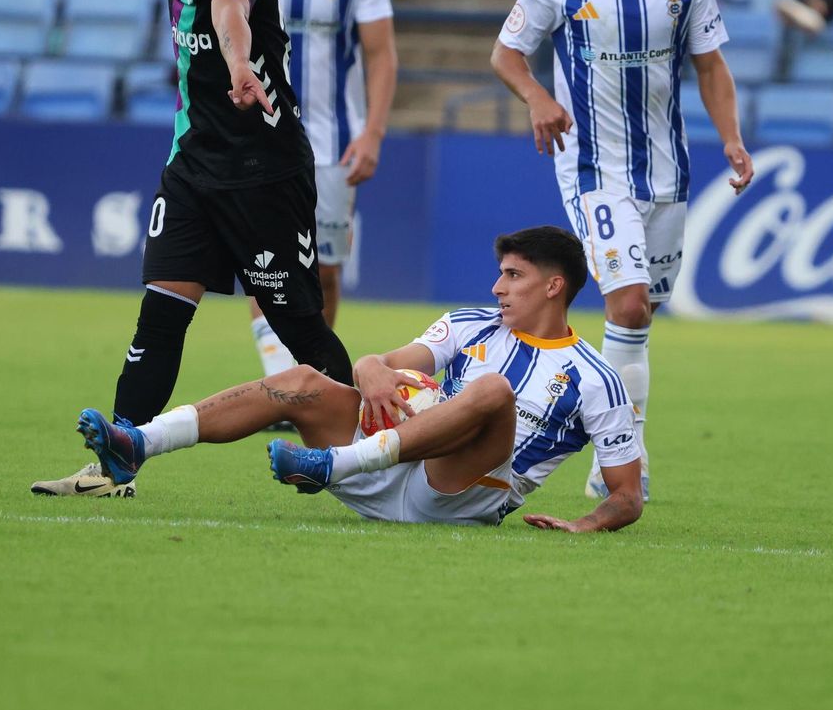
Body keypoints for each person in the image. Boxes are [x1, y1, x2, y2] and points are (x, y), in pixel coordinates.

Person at [32, 0, 351, 498]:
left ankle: (378, 448)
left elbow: (230, 9)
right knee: (160, 313)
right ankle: (117, 460)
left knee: (299, 325)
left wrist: (239, 66)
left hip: (265, 175)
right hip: (193, 169)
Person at [490, 0, 755, 504]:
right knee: (628, 304)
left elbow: (712, 68)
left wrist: (732, 139)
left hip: (668, 172)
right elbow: (506, 55)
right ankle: (623, 462)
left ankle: (612, 445)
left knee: (639, 322)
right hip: (593, 169)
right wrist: (538, 98)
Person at [73, 227, 645, 532]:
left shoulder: (597, 378)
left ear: (553, 288)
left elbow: (625, 495)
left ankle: (332, 466)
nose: (497, 287)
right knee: (298, 380)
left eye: (513, 276)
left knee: (491, 392)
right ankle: (137, 445)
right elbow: (381, 360)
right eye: (499, 273)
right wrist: (372, 372)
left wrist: (585, 525)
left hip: (458, 494)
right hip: (391, 461)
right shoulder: (470, 324)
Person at [244, 0, 398, 391]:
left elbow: (382, 55)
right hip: (260, 136)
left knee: (325, 270)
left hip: (334, 140)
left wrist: (374, 133)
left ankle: (304, 377)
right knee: (268, 260)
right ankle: (285, 380)